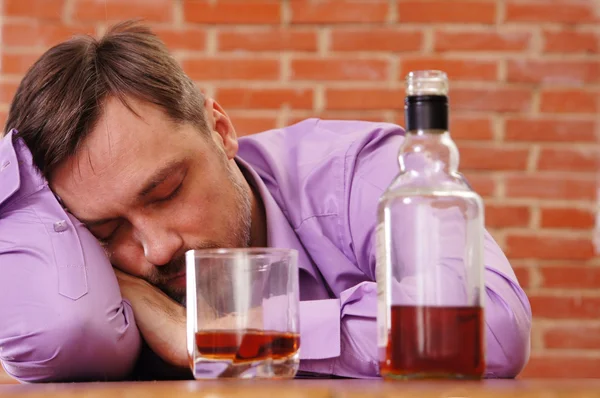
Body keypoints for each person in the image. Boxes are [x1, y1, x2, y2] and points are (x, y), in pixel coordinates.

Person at [0, 21, 532, 383]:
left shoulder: (360, 173)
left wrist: (220, 338)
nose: (156, 250)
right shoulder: (87, 278)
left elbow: (490, 327)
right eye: (107, 231)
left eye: (166, 192)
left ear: (220, 129)